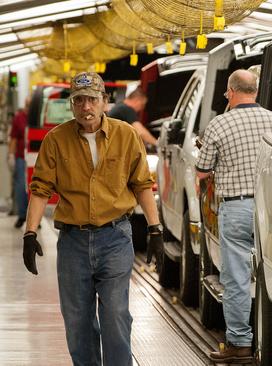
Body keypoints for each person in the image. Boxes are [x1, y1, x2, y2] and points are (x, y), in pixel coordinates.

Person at [21, 72, 164, 366]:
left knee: (115, 314)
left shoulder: (126, 136)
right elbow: (40, 190)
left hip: (115, 238)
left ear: (104, 102)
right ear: (72, 105)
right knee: (77, 321)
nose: (86, 107)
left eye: (92, 100)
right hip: (73, 242)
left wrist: (155, 229)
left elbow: (142, 185)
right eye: (79, 101)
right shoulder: (56, 140)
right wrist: (30, 233)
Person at [196, 69, 272, 363]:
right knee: (271, 273)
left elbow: (202, 169)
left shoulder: (219, 124)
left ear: (230, 92)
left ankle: (239, 342)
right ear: (256, 92)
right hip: (270, 209)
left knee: (236, 277)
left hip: (236, 208)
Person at [8, 98, 29, 228]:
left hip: (35, 156)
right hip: (21, 156)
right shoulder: (19, 118)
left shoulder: (37, 117)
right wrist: (11, 155)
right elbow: (14, 138)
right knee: (20, 186)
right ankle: (22, 215)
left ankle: (34, 218)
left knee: (35, 188)